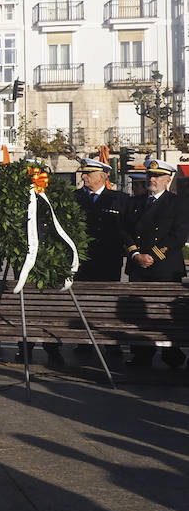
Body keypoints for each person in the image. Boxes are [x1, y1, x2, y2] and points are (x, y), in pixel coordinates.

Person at [123, 158, 189, 368]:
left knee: (163, 311)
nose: (152, 179)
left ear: (167, 180)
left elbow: (178, 235)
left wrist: (153, 255)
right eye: (150, 175)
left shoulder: (178, 203)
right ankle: (142, 354)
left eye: (157, 176)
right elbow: (124, 231)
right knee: (137, 312)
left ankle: (171, 352)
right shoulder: (135, 202)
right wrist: (135, 255)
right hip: (138, 267)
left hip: (165, 267)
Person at [73, 158, 129, 361]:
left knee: (108, 303)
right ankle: (84, 342)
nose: (84, 176)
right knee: (83, 303)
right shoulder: (75, 197)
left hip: (108, 260)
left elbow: (126, 228)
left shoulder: (119, 199)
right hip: (82, 261)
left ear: (104, 176)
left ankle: (111, 345)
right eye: (83, 173)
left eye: (89, 173)